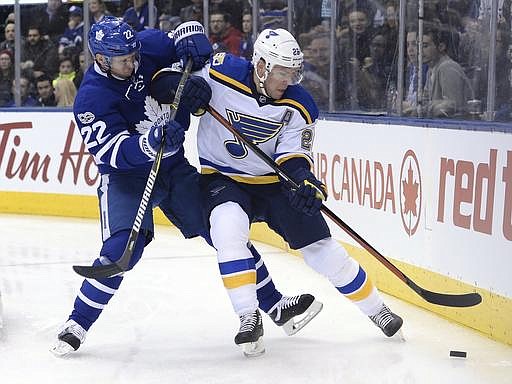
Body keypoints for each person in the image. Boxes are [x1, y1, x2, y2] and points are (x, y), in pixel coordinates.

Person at [50, 17, 321, 357]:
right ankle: (77, 322)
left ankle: (276, 306)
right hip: (127, 179)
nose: (133, 64)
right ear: (102, 59)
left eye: (134, 56)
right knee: (122, 251)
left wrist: (193, 39)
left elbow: (183, 32)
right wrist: (150, 142)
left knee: (223, 232)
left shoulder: (144, 45)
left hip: (174, 168)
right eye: (123, 61)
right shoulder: (91, 97)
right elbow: (113, 152)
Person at [183, 28, 403, 356]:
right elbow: (172, 78)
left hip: (274, 182)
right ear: (260, 66)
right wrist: (180, 87)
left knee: (324, 249)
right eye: (281, 72)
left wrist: (304, 181)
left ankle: (377, 310)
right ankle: (248, 317)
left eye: (292, 72)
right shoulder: (219, 71)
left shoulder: (300, 103)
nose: (287, 80)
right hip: (223, 179)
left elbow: (294, 155)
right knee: (228, 232)